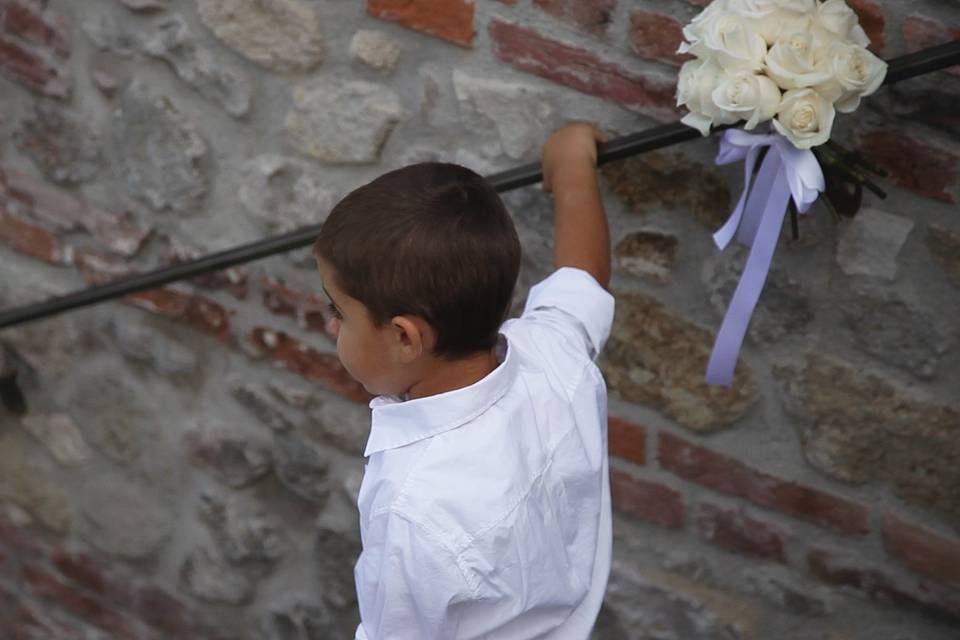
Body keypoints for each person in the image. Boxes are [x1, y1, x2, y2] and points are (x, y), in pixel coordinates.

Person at [313, 123, 614, 639]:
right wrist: (573, 169)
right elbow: (581, 279)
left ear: (406, 338)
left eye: (337, 310)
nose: (329, 325)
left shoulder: (414, 509)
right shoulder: (553, 356)